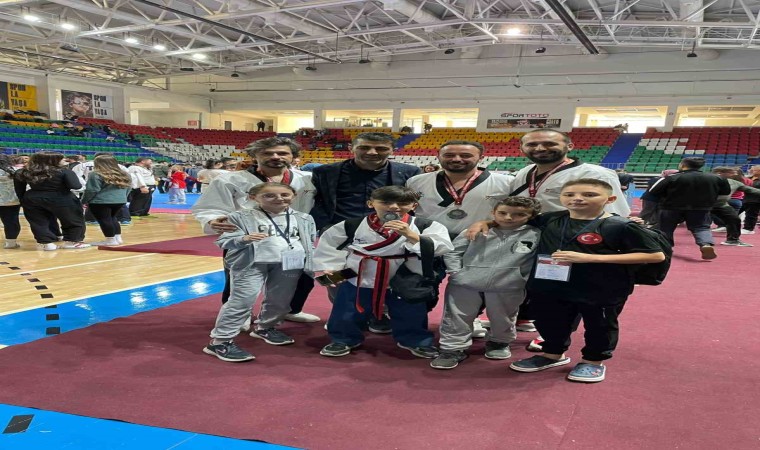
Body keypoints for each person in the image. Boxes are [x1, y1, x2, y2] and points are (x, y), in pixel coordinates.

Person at [509, 179, 665, 383]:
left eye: (589, 195)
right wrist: (485, 223)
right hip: (551, 283)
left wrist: (590, 258)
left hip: (601, 288)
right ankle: (552, 354)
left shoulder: (621, 225)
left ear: (610, 199)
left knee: (599, 326)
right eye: (569, 194)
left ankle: (593, 360)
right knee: (550, 321)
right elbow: (509, 220)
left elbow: (655, 255)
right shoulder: (550, 218)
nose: (577, 199)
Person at [313, 186, 453, 358]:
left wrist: (411, 235)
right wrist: (332, 268)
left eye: (402, 203)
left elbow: (441, 247)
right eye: (386, 202)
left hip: (405, 277)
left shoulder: (425, 225)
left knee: (410, 311)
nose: (394, 207)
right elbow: (329, 245)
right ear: (370, 203)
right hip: (360, 275)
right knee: (348, 309)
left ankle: (415, 340)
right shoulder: (351, 224)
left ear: (414, 205)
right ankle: (343, 339)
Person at [192, 137, 319, 323]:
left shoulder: (307, 179)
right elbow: (210, 206)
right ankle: (238, 317)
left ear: (293, 156)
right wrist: (213, 219)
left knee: (298, 277)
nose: (275, 157)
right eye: (267, 153)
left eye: (282, 153)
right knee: (241, 280)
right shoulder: (230, 179)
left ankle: (291, 309)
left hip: (293, 238)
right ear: (254, 155)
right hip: (249, 237)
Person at [310, 132, 421, 333]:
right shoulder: (325, 172)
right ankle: (342, 314)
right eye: (364, 147)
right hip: (341, 233)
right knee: (336, 277)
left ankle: (378, 314)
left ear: (392, 150)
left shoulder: (409, 172)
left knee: (384, 276)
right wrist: (324, 225)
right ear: (352, 148)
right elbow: (316, 201)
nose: (372, 152)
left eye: (381, 148)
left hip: (387, 234)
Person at [406, 140, 514, 336]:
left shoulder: (505, 182)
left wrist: (489, 222)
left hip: (478, 241)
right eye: (449, 155)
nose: (457, 159)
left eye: (465, 155)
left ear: (481, 157)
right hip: (430, 242)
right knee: (421, 285)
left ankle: (472, 319)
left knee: (474, 287)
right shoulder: (416, 182)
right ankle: (414, 323)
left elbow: (512, 214)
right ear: (438, 157)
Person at [204, 183, 317, 362]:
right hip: (251, 264)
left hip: (289, 263)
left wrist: (311, 262)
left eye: (285, 194)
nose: (279, 198)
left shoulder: (304, 218)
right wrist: (243, 239)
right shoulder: (239, 216)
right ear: (253, 197)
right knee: (242, 301)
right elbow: (223, 241)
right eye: (269, 195)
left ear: (294, 196)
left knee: (281, 300)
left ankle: (266, 327)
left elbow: (309, 242)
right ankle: (220, 341)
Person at [431, 197, 541, 370]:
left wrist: (522, 278)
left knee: (503, 316)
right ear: (493, 213)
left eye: (518, 214)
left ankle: (499, 342)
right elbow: (453, 251)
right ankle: (452, 348)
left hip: (509, 284)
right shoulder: (475, 230)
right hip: (465, 282)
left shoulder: (536, 234)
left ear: (531, 216)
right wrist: (456, 272)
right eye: (502, 213)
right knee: (456, 315)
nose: (508, 218)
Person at [648, 157, 730, 260]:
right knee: (701, 227)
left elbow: (653, 191)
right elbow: (725, 192)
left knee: (665, 228)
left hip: (671, 207)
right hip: (701, 207)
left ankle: (666, 248)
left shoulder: (672, 177)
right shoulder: (716, 178)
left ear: (683, 165)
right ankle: (705, 244)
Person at [13, 152, 90, 250]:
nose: (64, 160)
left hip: (33, 198)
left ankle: (46, 243)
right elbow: (76, 186)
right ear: (53, 160)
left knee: (38, 222)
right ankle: (72, 242)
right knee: (73, 220)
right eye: (61, 158)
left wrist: (23, 200)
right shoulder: (64, 171)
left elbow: (19, 189)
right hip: (62, 197)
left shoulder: (22, 172)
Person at [81, 155, 132, 246]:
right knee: (113, 218)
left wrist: (84, 200)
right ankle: (117, 238)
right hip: (120, 200)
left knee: (104, 220)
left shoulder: (95, 174)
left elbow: (92, 190)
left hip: (101, 201)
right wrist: (122, 197)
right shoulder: (125, 174)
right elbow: (129, 188)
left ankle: (110, 240)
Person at [709, 167, 760, 247]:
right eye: (731, 172)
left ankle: (732, 240)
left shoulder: (735, 183)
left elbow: (751, 190)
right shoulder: (707, 180)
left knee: (734, 219)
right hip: (700, 204)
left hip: (720, 205)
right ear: (721, 173)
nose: (735, 174)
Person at [0, 154, 21, 249]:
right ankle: (11, 243)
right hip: (11, 201)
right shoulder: (16, 171)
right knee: (11, 221)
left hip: (9, 201)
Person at [739, 165, 760, 235]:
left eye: (754, 170)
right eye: (751, 169)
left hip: (755, 200)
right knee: (735, 212)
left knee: (751, 215)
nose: (751, 171)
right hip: (744, 198)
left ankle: (748, 229)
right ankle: (725, 225)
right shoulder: (748, 178)